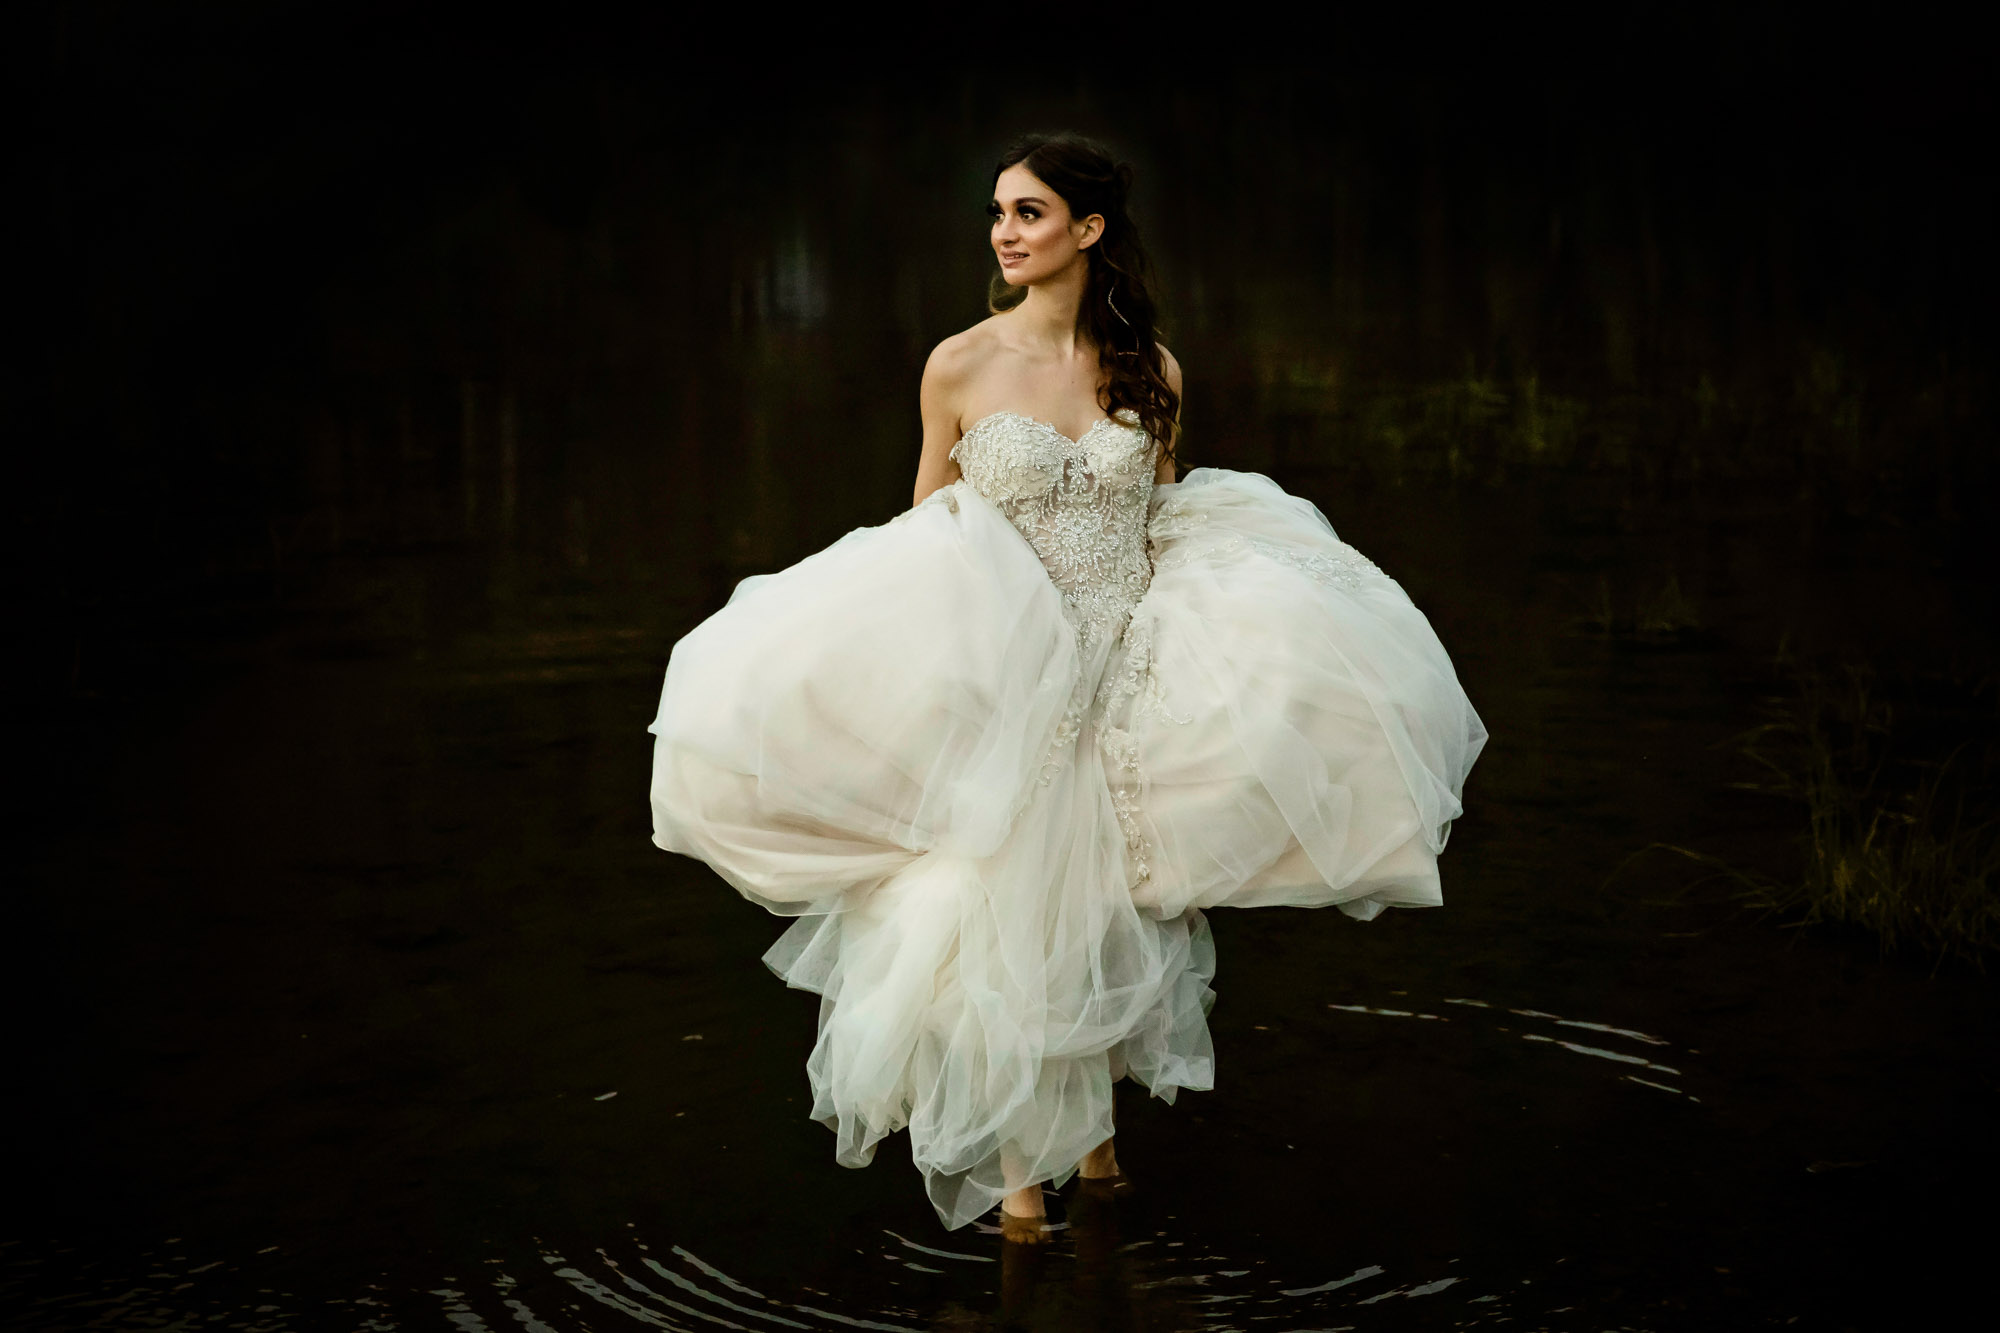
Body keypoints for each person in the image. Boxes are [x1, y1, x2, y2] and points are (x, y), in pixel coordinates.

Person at [648, 133, 1486, 1244]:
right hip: (1008, 676)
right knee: (1004, 913)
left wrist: (1254, 632)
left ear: (1086, 231)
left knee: (1102, 915)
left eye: (1028, 212)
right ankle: (1023, 1203)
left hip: (1124, 665)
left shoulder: (1150, 368)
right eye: (997, 212)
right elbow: (924, 526)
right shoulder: (957, 363)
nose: (1003, 231)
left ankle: (1095, 1162)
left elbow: (1164, 513)